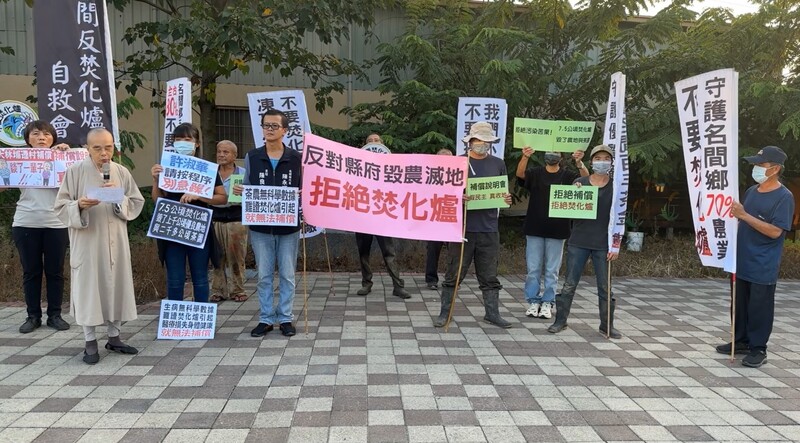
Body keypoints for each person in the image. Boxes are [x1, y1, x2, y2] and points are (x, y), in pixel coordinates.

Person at [54, 128, 145, 365]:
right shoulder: (75, 172)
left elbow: (136, 201)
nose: (104, 153)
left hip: (116, 240)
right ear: (87, 148)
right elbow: (61, 207)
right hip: (88, 241)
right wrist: (80, 205)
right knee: (89, 290)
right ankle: (90, 341)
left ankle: (114, 337)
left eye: (108, 147)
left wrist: (119, 200)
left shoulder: (121, 172)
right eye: (98, 148)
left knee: (115, 287)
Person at [716, 146, 794, 368]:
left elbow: (775, 231)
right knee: (739, 304)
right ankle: (740, 340)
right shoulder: (751, 191)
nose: (756, 169)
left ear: (776, 168)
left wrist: (744, 215)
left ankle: (759, 348)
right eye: (755, 165)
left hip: (763, 263)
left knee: (759, 307)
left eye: (761, 165)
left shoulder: (784, 197)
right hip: (741, 260)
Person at [434, 121, 513, 329]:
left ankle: (492, 313)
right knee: (454, 273)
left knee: (489, 274)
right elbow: (442, 194)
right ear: (470, 141)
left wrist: (506, 199)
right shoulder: (458, 163)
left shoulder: (498, 163)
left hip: (489, 228)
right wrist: (458, 197)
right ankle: (445, 313)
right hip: (462, 228)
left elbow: (501, 191)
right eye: (479, 140)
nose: (483, 144)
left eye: (487, 141)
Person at [235, 109, 302, 338]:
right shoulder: (252, 156)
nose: (269, 130)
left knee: (287, 274)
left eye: (274, 126)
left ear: (284, 130)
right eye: (266, 125)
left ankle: (285, 318)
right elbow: (246, 186)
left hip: (288, 227)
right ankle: (265, 318)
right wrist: (241, 192)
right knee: (263, 275)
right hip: (261, 227)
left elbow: (305, 188)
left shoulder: (296, 158)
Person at [3, 121, 71, 334]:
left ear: (53, 139)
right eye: (36, 133)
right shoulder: (18, 160)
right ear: (27, 139)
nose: (42, 137)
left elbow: (79, 183)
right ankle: (33, 316)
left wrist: (67, 155)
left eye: (47, 134)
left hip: (56, 222)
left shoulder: (63, 158)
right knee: (30, 271)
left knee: (56, 271)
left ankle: (55, 315)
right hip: (26, 221)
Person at [547, 145, 620, 338]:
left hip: (603, 244)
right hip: (578, 241)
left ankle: (607, 325)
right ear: (592, 161)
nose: (602, 161)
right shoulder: (580, 182)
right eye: (598, 158)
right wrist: (574, 192)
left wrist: (616, 244)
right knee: (569, 283)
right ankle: (560, 321)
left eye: (606, 158)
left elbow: (620, 217)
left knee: (605, 287)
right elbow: (568, 209)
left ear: (611, 162)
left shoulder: (616, 186)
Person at [150, 123, 227, 303]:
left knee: (200, 277)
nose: (182, 143)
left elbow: (222, 197)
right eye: (178, 140)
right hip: (172, 227)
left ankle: (200, 323)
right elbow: (157, 199)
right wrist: (155, 180)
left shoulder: (207, 169)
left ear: (197, 143)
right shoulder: (166, 167)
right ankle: (174, 322)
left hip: (198, 226)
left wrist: (199, 195)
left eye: (187, 139)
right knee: (175, 279)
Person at [516, 148, 588, 319]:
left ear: (561, 157)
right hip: (534, 228)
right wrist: (525, 156)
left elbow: (586, 180)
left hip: (558, 229)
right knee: (533, 269)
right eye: (549, 151)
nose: (552, 154)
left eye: (556, 152)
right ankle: (533, 301)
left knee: (552, 270)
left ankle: (548, 302)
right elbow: (520, 175)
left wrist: (579, 163)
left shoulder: (568, 176)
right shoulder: (535, 173)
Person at [354, 133, 412, 299]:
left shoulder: (392, 166)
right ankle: (366, 283)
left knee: (389, 252)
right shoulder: (356, 166)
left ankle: (398, 285)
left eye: (376, 140)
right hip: (363, 215)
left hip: (383, 215)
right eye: (370, 141)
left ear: (382, 144)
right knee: (363, 252)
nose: (373, 142)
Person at [210, 140, 249, 303]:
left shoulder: (244, 173)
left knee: (237, 256)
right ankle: (218, 290)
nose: (221, 155)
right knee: (216, 256)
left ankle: (238, 290)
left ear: (235, 155)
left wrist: (245, 192)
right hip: (215, 217)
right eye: (219, 151)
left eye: (226, 152)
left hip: (236, 218)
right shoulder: (210, 173)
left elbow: (254, 196)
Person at [425, 148, 454, 290]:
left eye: (448, 158)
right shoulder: (429, 174)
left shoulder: (458, 175)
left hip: (452, 218)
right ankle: (431, 280)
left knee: (454, 252)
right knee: (433, 250)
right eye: (441, 158)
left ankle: (452, 279)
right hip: (435, 218)